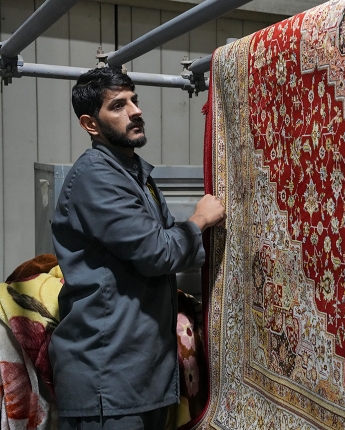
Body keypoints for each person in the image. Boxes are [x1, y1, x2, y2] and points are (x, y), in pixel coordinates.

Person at [49, 66, 225, 430]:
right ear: (90, 124)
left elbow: (165, 241)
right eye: (118, 105)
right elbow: (158, 252)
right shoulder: (96, 177)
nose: (135, 111)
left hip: (139, 374)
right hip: (108, 378)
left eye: (134, 100)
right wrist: (200, 219)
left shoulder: (134, 174)